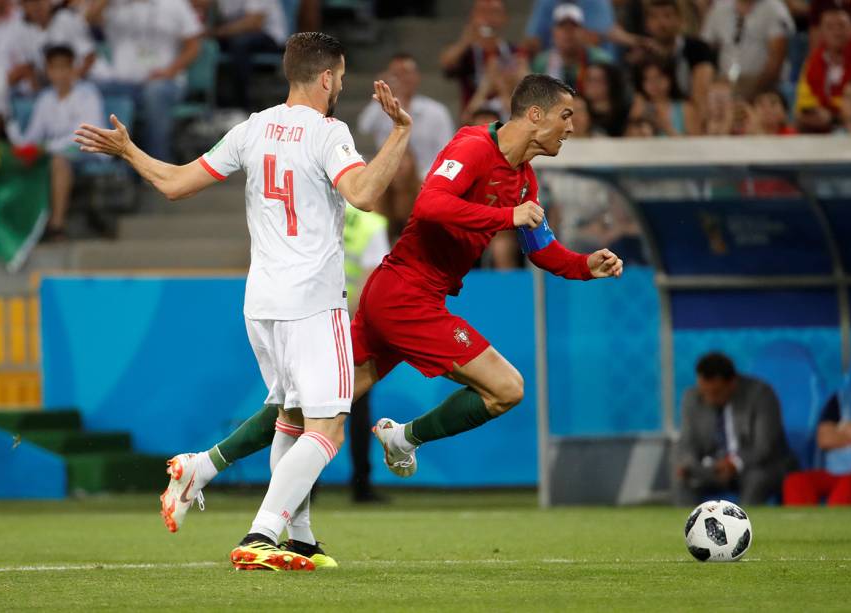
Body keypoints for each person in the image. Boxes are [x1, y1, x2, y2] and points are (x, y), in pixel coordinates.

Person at [161, 74, 625, 546]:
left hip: (404, 296)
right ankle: (402, 440)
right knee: (506, 388)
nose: (572, 126)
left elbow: (541, 249)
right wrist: (504, 217)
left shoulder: (523, 180)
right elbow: (430, 206)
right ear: (535, 115)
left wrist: (587, 265)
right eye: (566, 115)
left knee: (306, 409)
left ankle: (202, 466)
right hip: (406, 296)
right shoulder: (472, 147)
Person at [75, 31, 413, 571]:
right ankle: (262, 534)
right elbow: (366, 195)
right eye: (342, 77)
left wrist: (129, 150)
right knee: (326, 428)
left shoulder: (252, 129)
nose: (341, 86)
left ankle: (298, 538)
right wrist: (400, 133)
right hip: (312, 301)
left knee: (291, 419)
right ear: (327, 78)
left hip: (261, 303)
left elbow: (176, 184)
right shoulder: (330, 133)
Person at [85, 0, 203, 161]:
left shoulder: (175, 4)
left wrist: (170, 71)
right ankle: (104, 166)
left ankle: (159, 166)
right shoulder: (114, 5)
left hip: (165, 82)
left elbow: (194, 45)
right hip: (124, 84)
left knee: (155, 93)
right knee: (88, 88)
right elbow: (88, 19)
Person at [675, 352, 798, 505]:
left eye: (715, 392)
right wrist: (689, 463)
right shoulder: (692, 397)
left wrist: (734, 462)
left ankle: (742, 526)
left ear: (732, 383)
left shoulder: (760, 394)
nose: (709, 398)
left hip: (759, 466)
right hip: (714, 467)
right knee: (683, 480)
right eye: (704, 392)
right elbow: (688, 441)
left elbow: (764, 446)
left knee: (756, 480)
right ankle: (690, 526)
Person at [12, 45, 103, 240]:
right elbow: (33, 135)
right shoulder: (45, 98)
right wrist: (20, 147)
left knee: (59, 161)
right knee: (20, 161)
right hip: (54, 152)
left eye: (64, 68)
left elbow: (87, 135)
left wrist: (47, 148)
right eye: (54, 68)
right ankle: (25, 226)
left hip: (88, 153)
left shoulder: (88, 94)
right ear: (48, 71)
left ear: (73, 69)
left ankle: (57, 225)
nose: (60, 74)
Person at [782, 334, 851, 505]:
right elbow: (824, 438)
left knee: (849, 486)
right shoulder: (840, 399)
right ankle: (801, 529)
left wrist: (845, 427)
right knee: (796, 482)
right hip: (835, 473)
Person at [342, 203, 391, 503]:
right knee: (358, 405)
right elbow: (370, 282)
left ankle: (303, 489)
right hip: (351, 324)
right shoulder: (371, 224)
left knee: (306, 406)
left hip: (313, 321)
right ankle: (361, 484)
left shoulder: (316, 209)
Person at [357, 53, 454, 179]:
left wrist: (425, 179)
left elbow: (447, 150)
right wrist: (381, 92)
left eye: (406, 73)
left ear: (417, 76)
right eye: (396, 74)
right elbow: (364, 126)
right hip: (388, 181)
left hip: (428, 180)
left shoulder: (437, 111)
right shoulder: (381, 108)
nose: (402, 79)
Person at [795, 7, 851, 133]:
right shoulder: (812, 62)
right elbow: (803, 105)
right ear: (821, 32)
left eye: (841, 26)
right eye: (829, 27)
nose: (836, 32)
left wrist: (832, 118)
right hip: (821, 131)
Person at [199, 0, 287, 109]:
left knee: (240, 44)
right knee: (202, 42)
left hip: (270, 38)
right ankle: (203, 99)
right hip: (236, 37)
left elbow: (254, 23)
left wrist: (216, 32)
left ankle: (241, 105)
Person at [701, 0, 795, 100]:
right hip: (724, 81)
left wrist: (754, 92)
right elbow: (704, 49)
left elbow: (776, 59)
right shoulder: (720, 7)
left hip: (760, 83)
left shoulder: (775, 8)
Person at [638, 0, 716, 116]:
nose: (661, 23)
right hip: (655, 118)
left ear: (680, 20)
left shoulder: (698, 48)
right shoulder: (641, 54)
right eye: (654, 17)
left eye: (667, 16)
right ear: (647, 24)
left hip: (691, 115)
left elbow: (701, 94)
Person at [529, 4, 613, 94]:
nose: (568, 32)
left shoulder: (601, 61)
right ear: (553, 33)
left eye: (574, 26)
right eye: (562, 27)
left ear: (583, 31)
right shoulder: (541, 63)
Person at [19, 0, 96, 80]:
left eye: (39, 2)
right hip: (56, 87)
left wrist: (70, 83)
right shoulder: (25, 32)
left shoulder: (66, 18)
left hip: (90, 77)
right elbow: (35, 70)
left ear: (49, 2)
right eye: (30, 4)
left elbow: (90, 57)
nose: (36, 7)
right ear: (24, 7)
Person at [628, 56, 700, 135]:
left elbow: (697, 144)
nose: (653, 83)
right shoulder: (639, 108)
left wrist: (667, 128)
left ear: (670, 78)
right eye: (647, 79)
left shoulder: (686, 109)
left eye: (658, 77)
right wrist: (635, 117)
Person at [581, 61, 630, 136]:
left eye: (596, 80)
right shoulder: (579, 110)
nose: (589, 84)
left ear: (610, 84)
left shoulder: (625, 113)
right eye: (588, 79)